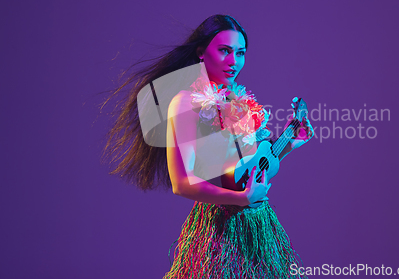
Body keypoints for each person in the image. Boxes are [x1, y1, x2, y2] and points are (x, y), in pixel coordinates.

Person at [101, 14, 314, 278]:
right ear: (202, 52)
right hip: (219, 230)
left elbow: (248, 166)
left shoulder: (238, 99)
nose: (234, 61)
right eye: (224, 51)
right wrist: (241, 198)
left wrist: (290, 143)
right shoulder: (186, 103)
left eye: (240, 53)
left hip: (259, 224)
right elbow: (182, 183)